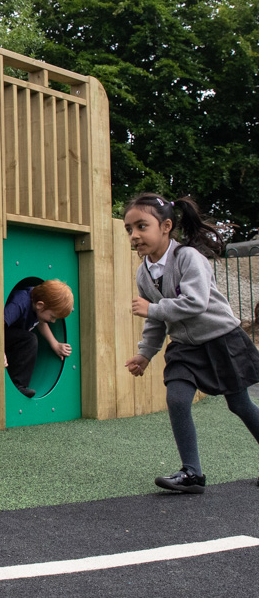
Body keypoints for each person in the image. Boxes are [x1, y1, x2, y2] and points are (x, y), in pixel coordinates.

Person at [123, 193, 259, 494]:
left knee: (239, 404)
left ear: (166, 226)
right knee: (177, 399)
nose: (134, 236)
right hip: (185, 346)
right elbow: (157, 321)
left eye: (142, 226)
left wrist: (152, 308)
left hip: (221, 338)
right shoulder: (143, 274)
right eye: (129, 229)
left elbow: (195, 302)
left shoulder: (188, 257)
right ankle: (192, 474)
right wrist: (145, 353)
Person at [3, 279, 74, 398]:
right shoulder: (20, 302)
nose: (53, 321)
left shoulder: (38, 307)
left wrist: (54, 344)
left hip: (12, 337)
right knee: (29, 339)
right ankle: (18, 386)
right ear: (40, 305)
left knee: (28, 339)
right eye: (52, 316)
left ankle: (19, 386)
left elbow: (40, 321)